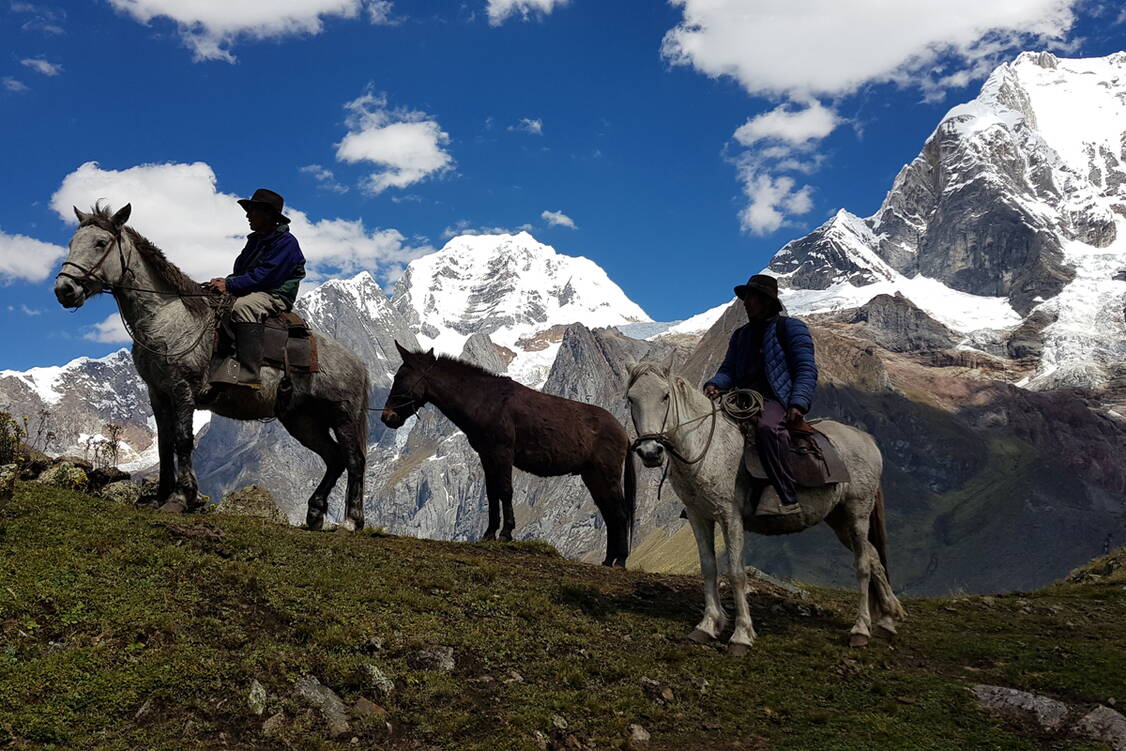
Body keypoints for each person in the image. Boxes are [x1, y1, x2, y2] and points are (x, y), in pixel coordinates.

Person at [703, 274, 817, 516]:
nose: (746, 303)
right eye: (745, 298)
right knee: (708, 429)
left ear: (766, 301)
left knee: (767, 428)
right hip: (742, 400)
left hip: (775, 400)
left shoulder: (790, 328)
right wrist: (715, 383)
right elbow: (728, 370)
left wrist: (798, 402)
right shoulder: (740, 335)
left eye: (751, 297)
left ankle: (787, 496)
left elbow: (806, 368)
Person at [207, 188, 306, 389]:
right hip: (255, 288)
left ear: (268, 215)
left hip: (275, 293)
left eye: (253, 211)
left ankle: (248, 372)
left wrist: (230, 284)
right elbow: (243, 271)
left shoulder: (286, 242)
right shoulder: (255, 241)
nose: (247, 216)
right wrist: (225, 282)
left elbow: (266, 276)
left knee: (244, 307)